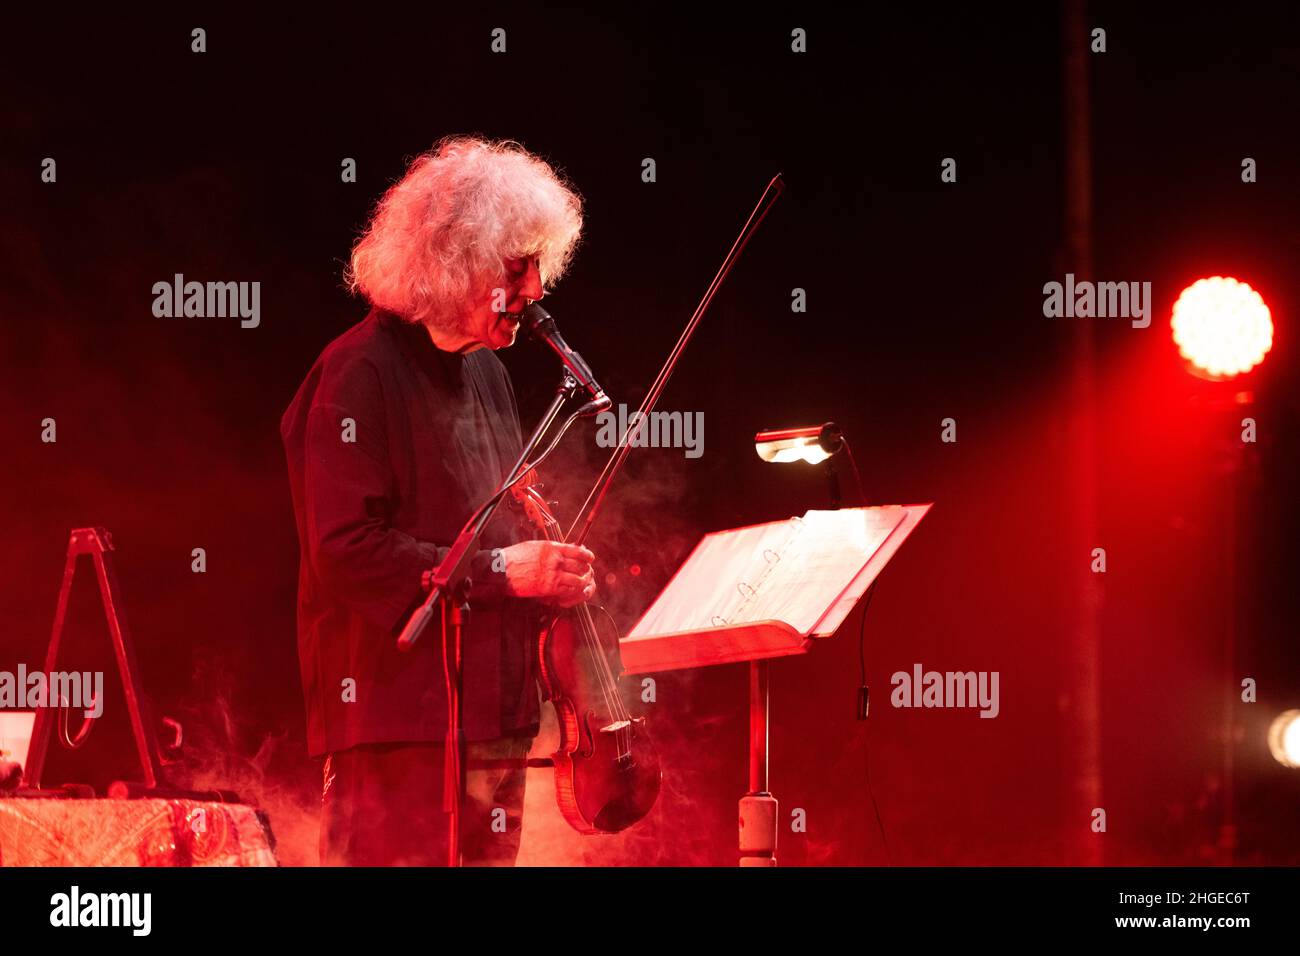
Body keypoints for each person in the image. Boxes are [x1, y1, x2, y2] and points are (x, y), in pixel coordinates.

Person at [280, 136, 597, 865]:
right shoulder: (354, 373)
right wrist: (503, 573)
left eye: (540, 266)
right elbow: (344, 552)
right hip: (395, 727)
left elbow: (497, 529)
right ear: (456, 262)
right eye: (518, 268)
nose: (537, 290)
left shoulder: (486, 373)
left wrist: (549, 569)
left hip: (491, 720)